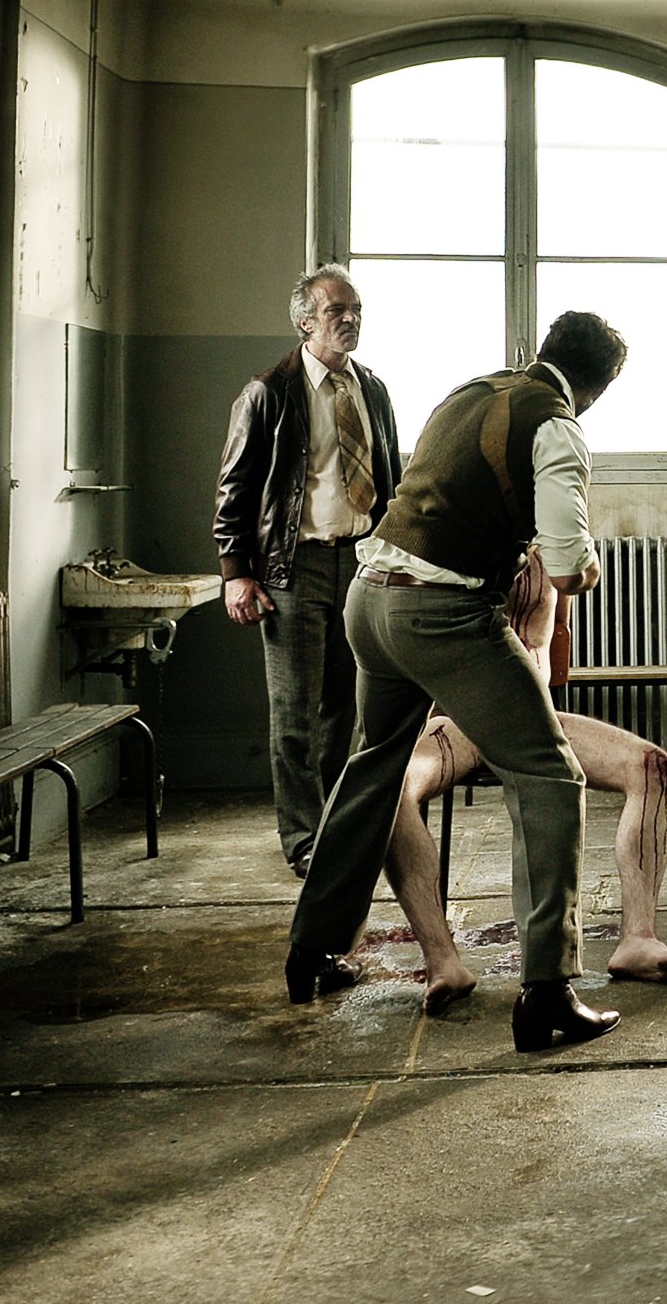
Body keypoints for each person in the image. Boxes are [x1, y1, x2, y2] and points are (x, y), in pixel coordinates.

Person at [286, 312, 627, 1054]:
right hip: (440, 613)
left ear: (543, 351)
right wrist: (590, 564)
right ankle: (547, 992)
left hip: (369, 600)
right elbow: (569, 569)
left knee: (375, 765)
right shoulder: (557, 425)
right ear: (599, 387)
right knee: (549, 774)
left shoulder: (472, 391)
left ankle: (311, 947)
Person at [388, 547, 667, 1016]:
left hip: (533, 720)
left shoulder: (555, 545)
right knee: (389, 792)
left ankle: (639, 940)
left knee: (653, 767)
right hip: (456, 722)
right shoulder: (454, 532)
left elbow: (557, 631)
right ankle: (442, 961)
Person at [214, 264, 401, 877]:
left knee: (344, 708)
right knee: (295, 712)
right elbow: (235, 488)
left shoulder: (372, 390)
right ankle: (303, 841)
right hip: (293, 567)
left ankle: (336, 828)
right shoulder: (269, 393)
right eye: (335, 310)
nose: (349, 319)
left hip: (363, 564)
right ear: (304, 322)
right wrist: (236, 572)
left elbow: (392, 480)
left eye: (355, 310)